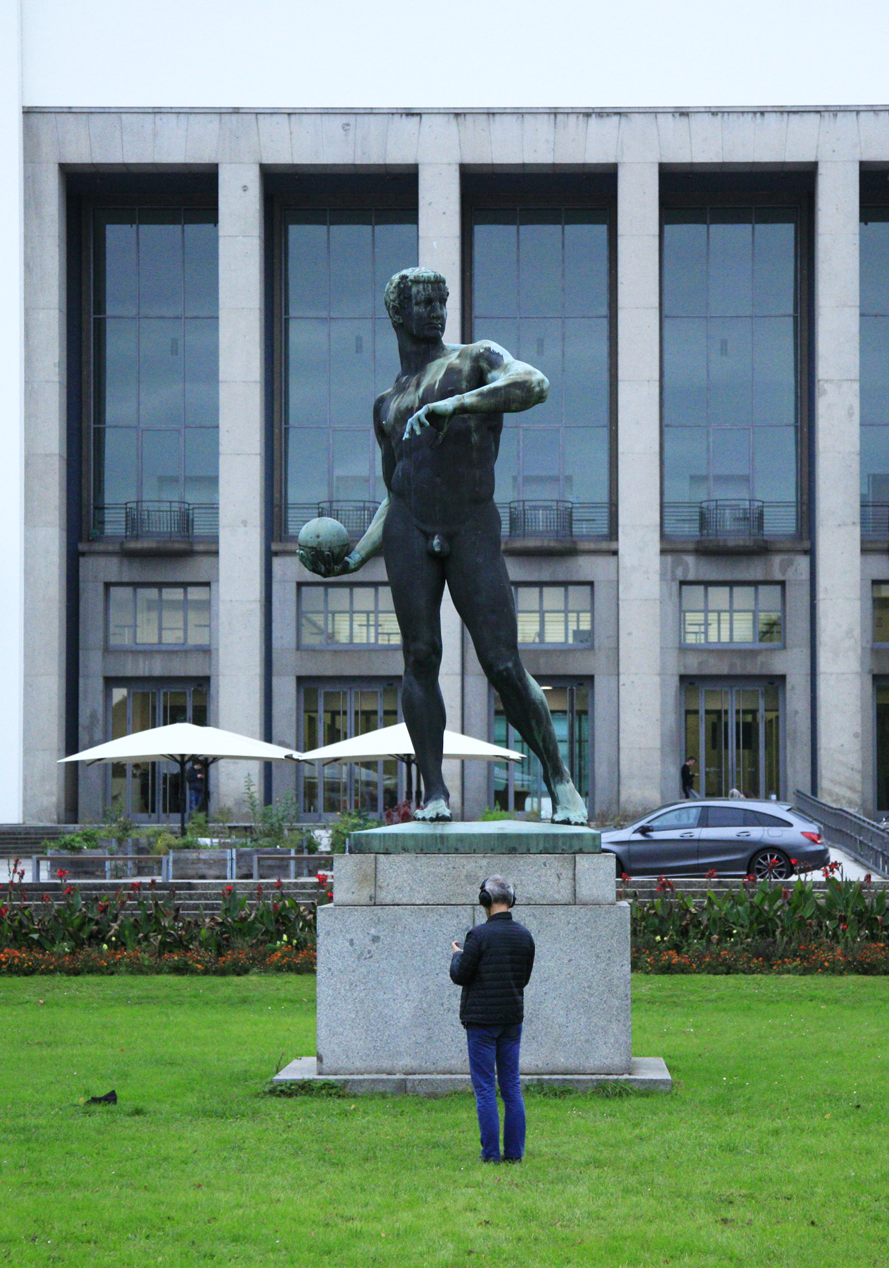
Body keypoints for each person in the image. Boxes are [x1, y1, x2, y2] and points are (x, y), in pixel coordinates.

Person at [299, 267, 585, 825]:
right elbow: (394, 489)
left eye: (440, 301)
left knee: (502, 662)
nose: (435, 311)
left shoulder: (475, 360)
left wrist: (458, 406)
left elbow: (535, 384)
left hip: (470, 523)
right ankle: (434, 793)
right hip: (408, 527)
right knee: (420, 656)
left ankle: (562, 781)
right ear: (398, 314)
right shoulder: (387, 403)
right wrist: (355, 557)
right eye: (424, 302)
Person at [449, 875, 534, 1163]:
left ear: (484, 901)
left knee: (485, 1089)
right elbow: (523, 979)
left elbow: (460, 976)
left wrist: (457, 955)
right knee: (511, 1088)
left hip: (481, 1022)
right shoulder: (525, 936)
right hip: (512, 1019)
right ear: (512, 900)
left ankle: (490, 1155)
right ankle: (514, 1156)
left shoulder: (478, 936)